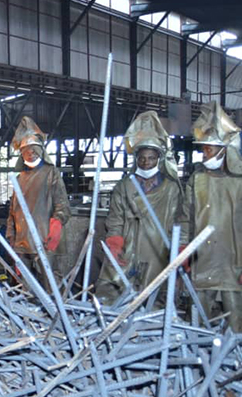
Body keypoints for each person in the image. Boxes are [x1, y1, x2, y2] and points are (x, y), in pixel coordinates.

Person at [96, 111, 183, 302]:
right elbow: (115, 218)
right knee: (111, 292)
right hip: (127, 247)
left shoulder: (171, 189)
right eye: (141, 158)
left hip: (157, 251)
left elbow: (179, 221)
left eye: (151, 158)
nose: (145, 163)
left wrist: (178, 249)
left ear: (159, 159)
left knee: (153, 299)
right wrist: (115, 241)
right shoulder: (124, 186)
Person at [179, 101, 242, 332]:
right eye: (202, 148)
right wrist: (183, 248)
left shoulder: (240, 181)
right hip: (202, 261)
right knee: (198, 324)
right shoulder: (197, 180)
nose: (204, 153)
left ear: (225, 148)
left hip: (234, 264)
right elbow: (186, 217)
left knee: (237, 323)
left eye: (209, 148)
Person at [6, 116, 71, 289]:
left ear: (41, 150)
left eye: (34, 148)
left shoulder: (51, 173)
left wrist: (56, 226)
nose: (31, 152)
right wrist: (10, 236)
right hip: (21, 243)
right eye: (26, 149)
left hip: (44, 240)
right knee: (24, 287)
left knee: (50, 285)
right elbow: (12, 212)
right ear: (21, 153)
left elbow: (62, 205)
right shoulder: (19, 178)